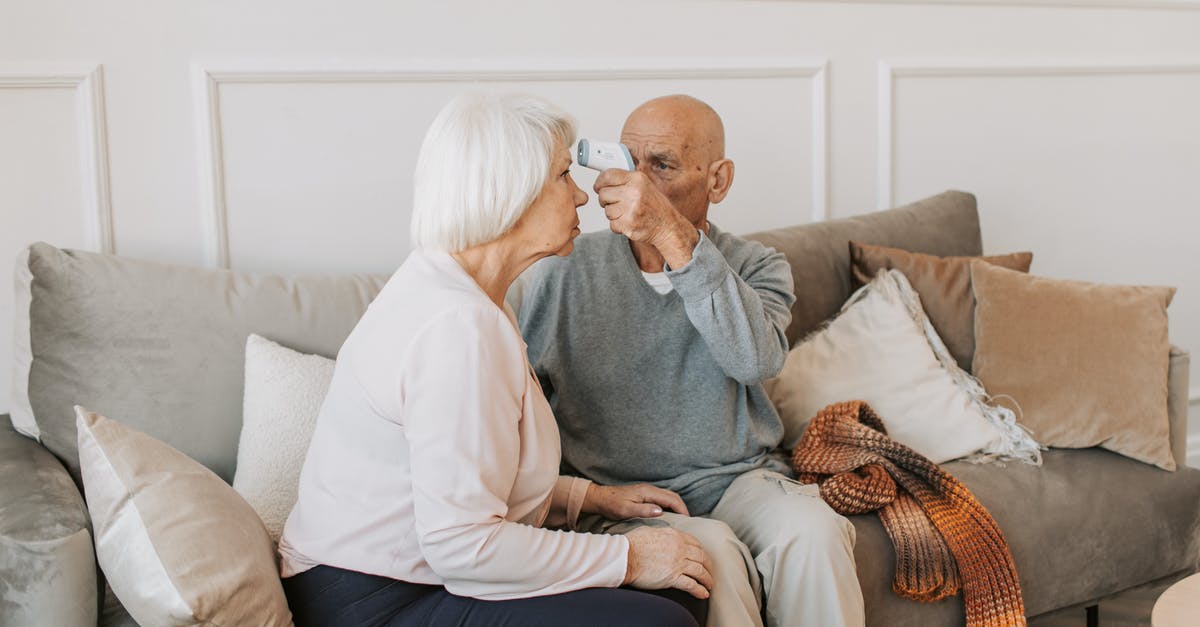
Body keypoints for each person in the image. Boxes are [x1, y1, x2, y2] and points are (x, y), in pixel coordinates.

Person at [277, 92, 717, 627]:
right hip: (376, 599)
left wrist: (594, 499)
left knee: (680, 593)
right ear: (511, 191)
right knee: (661, 618)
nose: (581, 197)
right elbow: (463, 546)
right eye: (562, 177)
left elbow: (469, 473)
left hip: (402, 577)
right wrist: (631, 558)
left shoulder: (464, 291)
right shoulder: (457, 327)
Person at [509, 94, 866, 627]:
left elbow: (755, 361)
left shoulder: (756, 265)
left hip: (740, 480)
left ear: (718, 180)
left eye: (663, 165)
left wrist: (670, 234)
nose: (639, 182)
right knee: (710, 553)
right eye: (628, 161)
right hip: (625, 499)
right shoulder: (560, 271)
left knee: (814, 531)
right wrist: (591, 499)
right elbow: (510, 407)